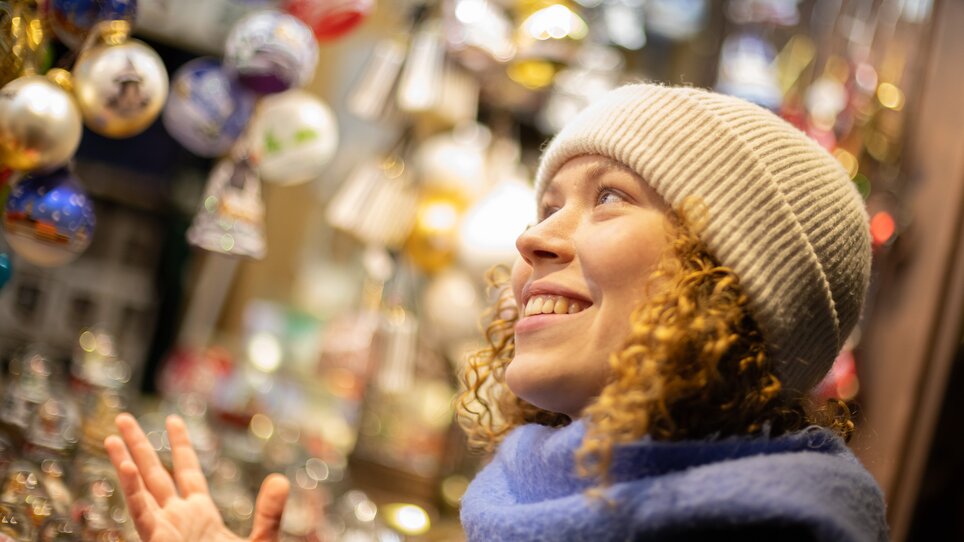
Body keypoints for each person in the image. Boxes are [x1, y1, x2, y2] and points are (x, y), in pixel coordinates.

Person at [106, 83, 889, 541]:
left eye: (610, 197)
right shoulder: (526, 497)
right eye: (546, 204)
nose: (533, 237)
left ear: (728, 279)